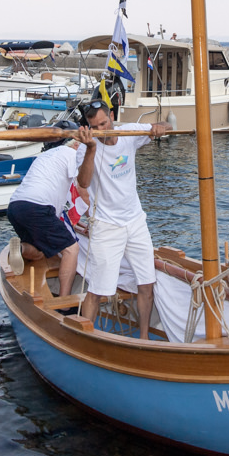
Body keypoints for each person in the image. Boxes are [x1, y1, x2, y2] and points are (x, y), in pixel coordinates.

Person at [78, 100, 170, 339]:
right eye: (95, 127)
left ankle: (144, 338)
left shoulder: (129, 133)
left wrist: (158, 128)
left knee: (146, 283)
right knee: (97, 289)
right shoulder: (86, 147)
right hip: (106, 225)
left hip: (136, 221)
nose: (101, 131)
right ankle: (86, 340)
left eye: (104, 123)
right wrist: (90, 148)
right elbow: (84, 183)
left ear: (112, 116)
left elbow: (162, 125)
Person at [5, 123, 96, 297]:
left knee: (39, 252)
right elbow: (82, 191)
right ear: (76, 145)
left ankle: (20, 250)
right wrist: (93, 220)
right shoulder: (72, 154)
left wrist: (76, 224)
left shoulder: (44, 156)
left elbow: (64, 200)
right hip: (38, 207)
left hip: (15, 207)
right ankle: (63, 300)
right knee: (71, 249)